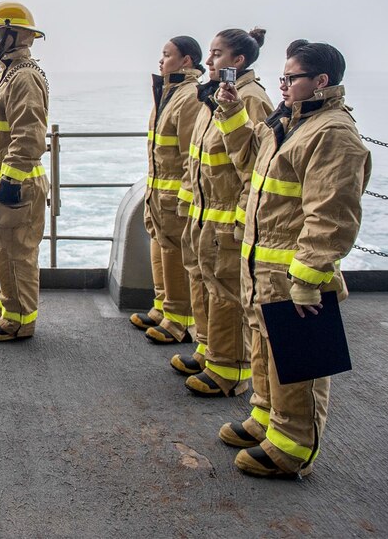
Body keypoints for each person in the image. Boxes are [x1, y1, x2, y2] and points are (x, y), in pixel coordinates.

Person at [214, 39, 371, 478]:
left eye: (291, 78)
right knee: (264, 347)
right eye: (281, 78)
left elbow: (332, 214)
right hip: (263, 266)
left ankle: (293, 445)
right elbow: (247, 160)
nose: (282, 85)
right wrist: (230, 112)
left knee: (297, 362)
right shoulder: (290, 122)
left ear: (320, 82)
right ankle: (267, 418)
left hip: (294, 272)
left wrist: (308, 277)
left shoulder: (332, 133)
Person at [174, 28, 273, 398]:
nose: (209, 61)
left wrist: (240, 220)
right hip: (204, 211)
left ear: (238, 61)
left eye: (217, 54)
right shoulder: (216, 97)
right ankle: (210, 351)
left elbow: (255, 168)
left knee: (227, 293)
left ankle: (230, 370)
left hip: (225, 214)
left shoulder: (251, 100)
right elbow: (196, 155)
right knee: (204, 283)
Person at [0, 2, 50, 341]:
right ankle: (9, 306)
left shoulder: (25, 77)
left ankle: (20, 321)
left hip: (15, 184)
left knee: (18, 252)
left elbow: (29, 135)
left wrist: (11, 180)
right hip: (2, 178)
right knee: (4, 248)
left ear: (10, 35)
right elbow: (0, 106)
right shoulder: (11, 73)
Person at [130, 37, 205, 347]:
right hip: (159, 191)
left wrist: (186, 197)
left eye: (167, 55)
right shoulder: (168, 92)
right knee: (160, 247)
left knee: (175, 253)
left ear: (186, 61)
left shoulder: (188, 97)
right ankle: (163, 306)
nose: (161, 61)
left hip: (175, 194)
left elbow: (192, 154)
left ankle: (179, 319)